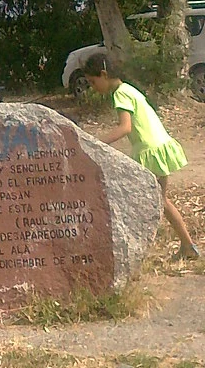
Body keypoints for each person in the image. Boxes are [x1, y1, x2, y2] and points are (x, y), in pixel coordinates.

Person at [83, 52, 199, 261]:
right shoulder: (128, 88)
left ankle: (138, 252)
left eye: (93, 82)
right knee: (160, 201)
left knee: (144, 201)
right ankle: (187, 245)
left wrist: (96, 142)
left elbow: (125, 127)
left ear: (104, 74)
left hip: (149, 151)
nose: (93, 87)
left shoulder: (120, 94)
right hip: (156, 147)